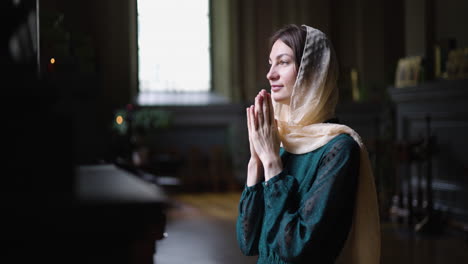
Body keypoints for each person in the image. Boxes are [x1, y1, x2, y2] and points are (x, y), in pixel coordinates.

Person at [236, 24, 380, 264]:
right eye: (270, 63)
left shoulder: (339, 149)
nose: (270, 74)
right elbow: (248, 242)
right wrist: (256, 161)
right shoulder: (280, 139)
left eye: (282, 62)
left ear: (312, 71)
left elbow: (294, 248)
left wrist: (271, 162)